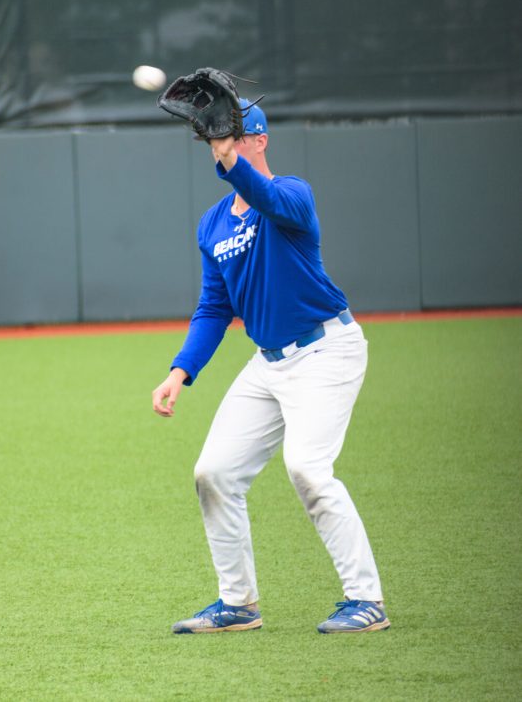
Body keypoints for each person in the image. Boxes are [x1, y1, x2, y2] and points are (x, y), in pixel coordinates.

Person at [151, 99, 389, 635]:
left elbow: (260, 192)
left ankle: (366, 599)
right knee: (213, 473)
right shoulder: (212, 224)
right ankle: (238, 603)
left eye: (235, 138)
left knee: (307, 468)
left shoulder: (292, 197)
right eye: (219, 140)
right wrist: (179, 371)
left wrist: (227, 156)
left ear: (259, 141)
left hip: (327, 349)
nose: (226, 148)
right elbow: (215, 307)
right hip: (269, 364)